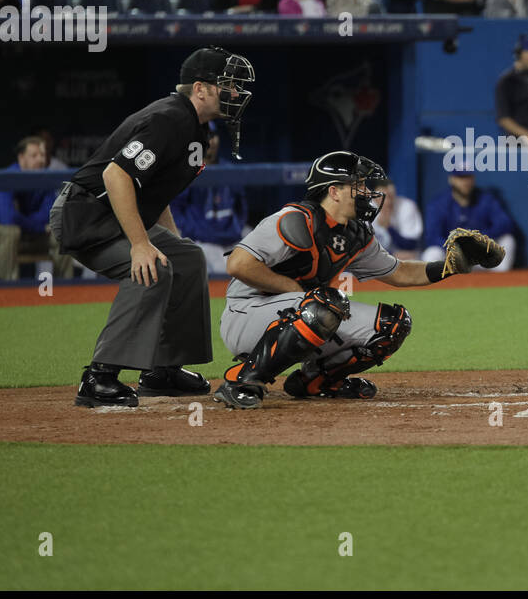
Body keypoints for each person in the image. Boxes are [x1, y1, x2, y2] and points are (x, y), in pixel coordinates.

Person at [211, 152, 506, 408]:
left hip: (303, 311)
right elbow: (238, 264)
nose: (367, 191)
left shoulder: (354, 234)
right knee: (325, 304)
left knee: (393, 324)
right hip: (245, 315)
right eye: (359, 185)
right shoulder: (294, 220)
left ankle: (315, 381)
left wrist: (451, 266)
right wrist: (296, 291)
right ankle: (242, 380)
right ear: (334, 191)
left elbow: (400, 272)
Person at [49, 47, 255, 408]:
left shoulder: (194, 126)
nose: (236, 93)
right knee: (151, 268)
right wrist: (140, 245)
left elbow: (155, 192)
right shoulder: (170, 118)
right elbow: (117, 176)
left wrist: (168, 238)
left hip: (112, 213)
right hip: (86, 215)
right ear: (201, 88)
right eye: (228, 85)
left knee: (187, 258)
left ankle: (163, 369)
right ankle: (98, 377)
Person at [0, 135, 73, 281]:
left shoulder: (45, 180)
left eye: (42, 155)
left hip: (28, 236)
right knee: (10, 232)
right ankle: (7, 291)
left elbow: (50, 215)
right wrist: (40, 227)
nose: (40, 160)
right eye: (34, 155)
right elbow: (8, 218)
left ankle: (66, 290)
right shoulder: (7, 178)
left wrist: (35, 225)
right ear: (21, 158)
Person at [168, 125, 246, 276]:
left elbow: (241, 206)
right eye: (205, 136)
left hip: (232, 239)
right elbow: (176, 209)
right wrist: (192, 232)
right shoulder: (188, 171)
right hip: (204, 243)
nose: (210, 141)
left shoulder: (229, 170)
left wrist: (237, 227)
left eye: (212, 135)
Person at [421, 168, 516, 272]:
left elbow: (505, 223)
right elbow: (432, 237)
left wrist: (478, 240)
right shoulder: (439, 204)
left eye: (468, 177)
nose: (465, 182)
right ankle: (445, 285)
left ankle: (496, 283)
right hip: (452, 256)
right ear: (451, 179)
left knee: (508, 240)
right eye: (461, 178)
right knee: (431, 254)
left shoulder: (486, 199)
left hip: (481, 255)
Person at [371, 179, 423, 259]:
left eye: (391, 196)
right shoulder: (364, 209)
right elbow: (361, 249)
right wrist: (390, 254)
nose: (388, 202)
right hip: (378, 259)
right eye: (383, 197)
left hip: (403, 258)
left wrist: (389, 228)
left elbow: (410, 246)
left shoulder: (407, 206)